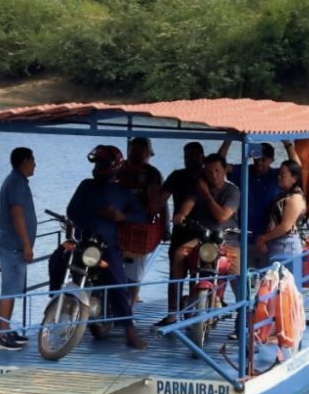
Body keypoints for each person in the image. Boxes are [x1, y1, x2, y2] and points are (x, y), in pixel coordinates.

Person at [60, 144, 148, 349]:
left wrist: (122, 216)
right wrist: (94, 214)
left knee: (118, 282)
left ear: (114, 166)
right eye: (97, 162)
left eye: (102, 163)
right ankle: (57, 303)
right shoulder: (86, 185)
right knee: (58, 259)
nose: (98, 166)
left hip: (107, 245)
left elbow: (141, 215)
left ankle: (129, 330)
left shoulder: (123, 192)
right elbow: (71, 211)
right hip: (84, 242)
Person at [159, 153, 241, 324]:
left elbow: (221, 217)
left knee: (238, 276)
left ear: (224, 170)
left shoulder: (232, 191)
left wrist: (206, 194)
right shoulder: (198, 189)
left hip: (227, 240)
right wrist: (181, 215)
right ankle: (173, 310)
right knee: (179, 253)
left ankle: (244, 317)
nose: (213, 175)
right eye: (209, 172)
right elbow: (186, 206)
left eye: (217, 171)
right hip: (203, 238)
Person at [218, 139, 300, 265]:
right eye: (256, 159)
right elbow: (219, 165)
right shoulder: (243, 171)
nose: (259, 163)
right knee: (244, 279)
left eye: (264, 160)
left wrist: (287, 145)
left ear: (272, 160)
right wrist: (228, 141)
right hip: (245, 237)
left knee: (266, 279)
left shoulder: (276, 176)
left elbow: (296, 168)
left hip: (268, 240)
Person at [0, 147, 37, 351]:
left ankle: (6, 329)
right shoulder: (16, 183)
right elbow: (17, 214)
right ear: (24, 161)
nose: (35, 164)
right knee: (9, 290)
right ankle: (1, 335)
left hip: (14, 247)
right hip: (13, 247)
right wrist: (27, 245)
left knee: (11, 290)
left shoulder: (16, 181)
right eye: (32, 160)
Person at [116, 137, 164, 306]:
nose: (137, 153)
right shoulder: (118, 169)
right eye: (134, 149)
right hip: (115, 224)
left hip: (140, 227)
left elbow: (158, 202)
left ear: (147, 153)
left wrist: (164, 227)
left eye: (141, 150)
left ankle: (129, 306)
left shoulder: (152, 174)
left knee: (134, 272)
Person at [254, 160, 307, 266]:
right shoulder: (285, 195)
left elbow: (285, 227)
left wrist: (263, 238)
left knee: (283, 280)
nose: (279, 177)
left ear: (294, 179)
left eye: (283, 175)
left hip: (286, 247)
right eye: (279, 174)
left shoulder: (295, 198)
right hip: (277, 244)